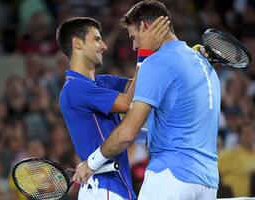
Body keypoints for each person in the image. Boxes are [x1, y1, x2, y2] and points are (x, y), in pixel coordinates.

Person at [73, 1, 221, 200]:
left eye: (134, 37)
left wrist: (90, 164)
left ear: (145, 27)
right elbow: (173, 126)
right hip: (208, 183)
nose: (134, 46)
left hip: (171, 177)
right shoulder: (202, 61)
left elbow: (127, 133)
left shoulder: (156, 63)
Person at [56, 16, 170, 200]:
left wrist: (187, 58)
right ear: (77, 43)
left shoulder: (101, 83)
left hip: (114, 187)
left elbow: (146, 85)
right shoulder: (75, 88)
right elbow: (128, 103)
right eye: (96, 39)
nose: (104, 46)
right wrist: (145, 53)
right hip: (104, 188)